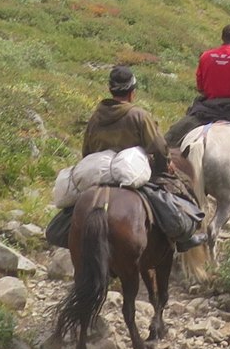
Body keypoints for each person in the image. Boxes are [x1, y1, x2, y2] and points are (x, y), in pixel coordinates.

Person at [48, 66, 203, 250]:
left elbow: (87, 152)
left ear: (110, 89)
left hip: (100, 173)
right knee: (177, 195)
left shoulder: (96, 116)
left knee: (58, 228)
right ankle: (183, 238)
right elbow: (159, 148)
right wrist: (164, 166)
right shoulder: (139, 115)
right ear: (132, 92)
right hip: (133, 172)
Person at [165, 24, 230, 148]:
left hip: (208, 107)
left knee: (177, 131)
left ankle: (163, 155)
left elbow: (200, 86)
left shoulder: (206, 56)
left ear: (222, 37)